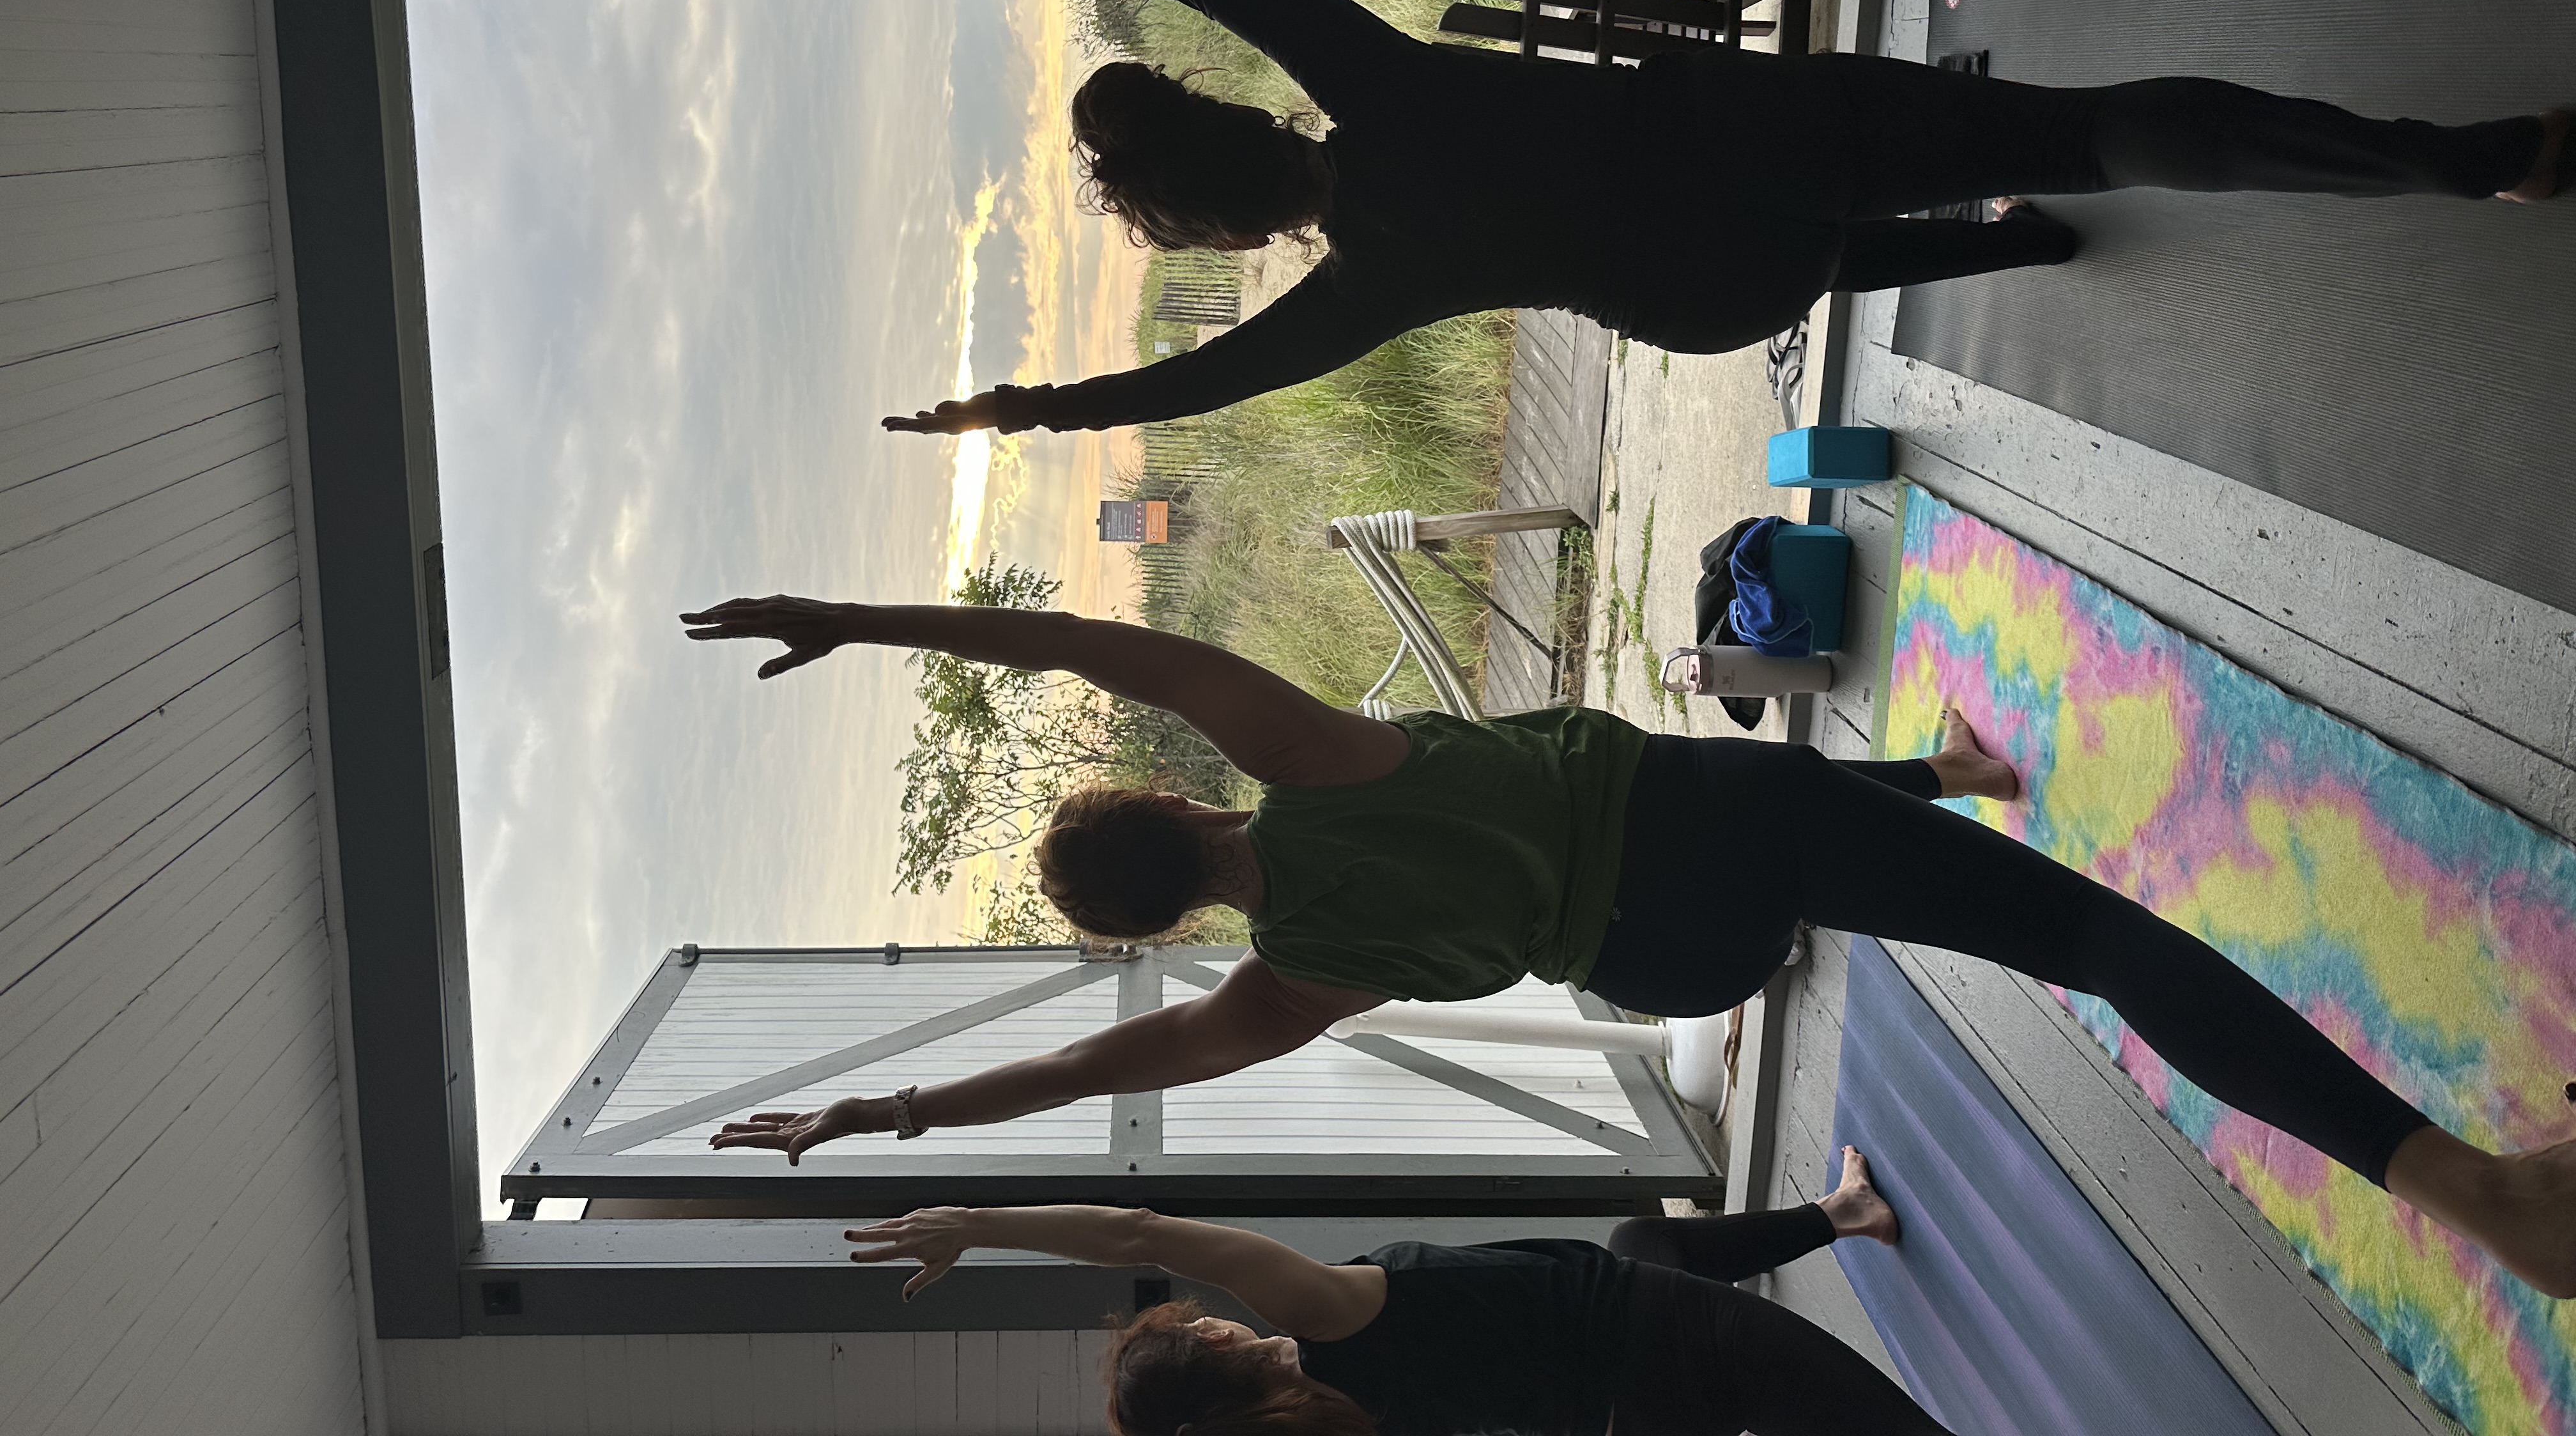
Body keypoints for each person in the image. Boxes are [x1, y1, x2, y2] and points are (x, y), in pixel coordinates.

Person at [679, 593, 2576, 1300]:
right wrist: (852, 620)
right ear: (1176, 811)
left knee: (1864, 864)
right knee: (2085, 938)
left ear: (1156, 923)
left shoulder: (1275, 993)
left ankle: (1943, 782)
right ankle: (2474, 1189)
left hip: (1680, 960)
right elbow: (1111, 652)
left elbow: (1093, 1076)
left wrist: (882, 1121)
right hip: (1698, 816)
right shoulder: (1308, 762)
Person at [859, 0, 2568, 440]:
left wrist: (1015, 415)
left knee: (1858, 223)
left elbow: (1197, 381)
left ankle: (1995, 241)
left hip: (1718, 285)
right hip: (1752, 132)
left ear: (1230, 226)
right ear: (1238, 122)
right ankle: (2461, 166)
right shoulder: (1364, 77)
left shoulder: (1359, 292)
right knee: (2069, 125)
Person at [840, 1147, 1944, 1436]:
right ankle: (1842, 1221)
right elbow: (1139, 1227)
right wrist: (977, 1225)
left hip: (1628, 1416)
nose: (1215, 1310)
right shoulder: (1320, 1314)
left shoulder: (1332, 1426)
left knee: (1636, 1234)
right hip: (1668, 1339)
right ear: (1217, 1341)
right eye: (1200, 1322)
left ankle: (1844, 1216)